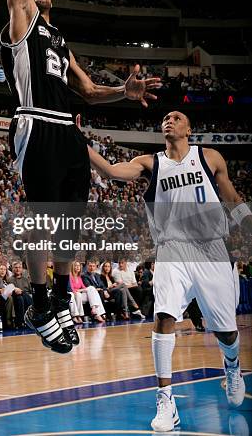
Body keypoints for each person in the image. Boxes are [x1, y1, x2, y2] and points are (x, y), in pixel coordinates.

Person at [0, 0, 161, 354]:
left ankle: (61, 294)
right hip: (36, 123)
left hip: (67, 126)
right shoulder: (21, 22)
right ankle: (39, 300)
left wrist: (123, 94)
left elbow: (86, 90)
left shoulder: (60, 39)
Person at [84, 111, 249, 431]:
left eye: (177, 117)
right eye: (165, 118)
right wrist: (83, 145)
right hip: (172, 248)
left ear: (189, 129)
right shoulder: (150, 162)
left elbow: (230, 195)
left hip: (211, 248)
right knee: (164, 317)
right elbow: (112, 171)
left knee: (226, 332)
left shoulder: (210, 156)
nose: (169, 120)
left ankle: (232, 366)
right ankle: (165, 400)